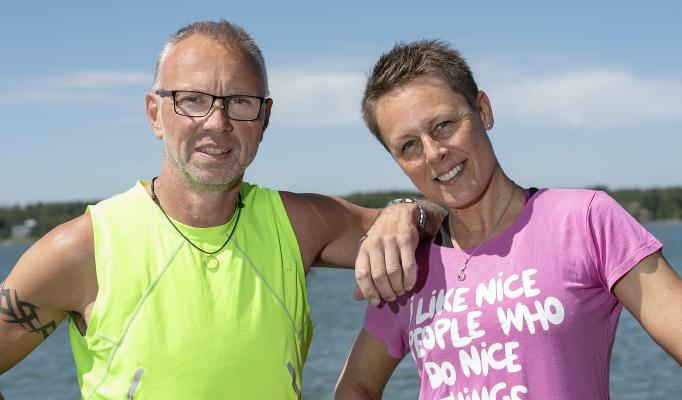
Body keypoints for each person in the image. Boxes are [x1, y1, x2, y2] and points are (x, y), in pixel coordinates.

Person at [0, 21, 444, 399]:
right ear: (155, 113)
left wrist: (405, 212)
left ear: (264, 119)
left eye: (240, 102)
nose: (217, 122)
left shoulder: (298, 224)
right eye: (192, 99)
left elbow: (441, 219)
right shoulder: (84, 248)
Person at [335, 40, 682, 400]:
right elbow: (355, 386)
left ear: (482, 110)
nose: (434, 153)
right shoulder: (410, 264)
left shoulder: (585, 220)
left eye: (443, 124)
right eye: (408, 145)